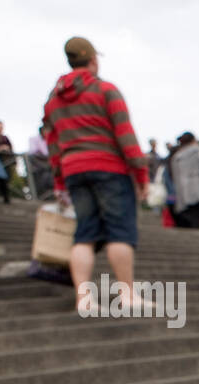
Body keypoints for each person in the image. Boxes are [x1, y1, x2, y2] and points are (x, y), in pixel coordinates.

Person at [44, 36, 149, 313]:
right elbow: (125, 136)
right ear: (93, 60)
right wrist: (141, 175)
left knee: (84, 234)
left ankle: (85, 299)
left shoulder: (52, 102)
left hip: (73, 171)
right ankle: (127, 294)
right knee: (120, 232)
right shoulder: (105, 90)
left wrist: (59, 182)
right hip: (109, 168)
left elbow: (53, 146)